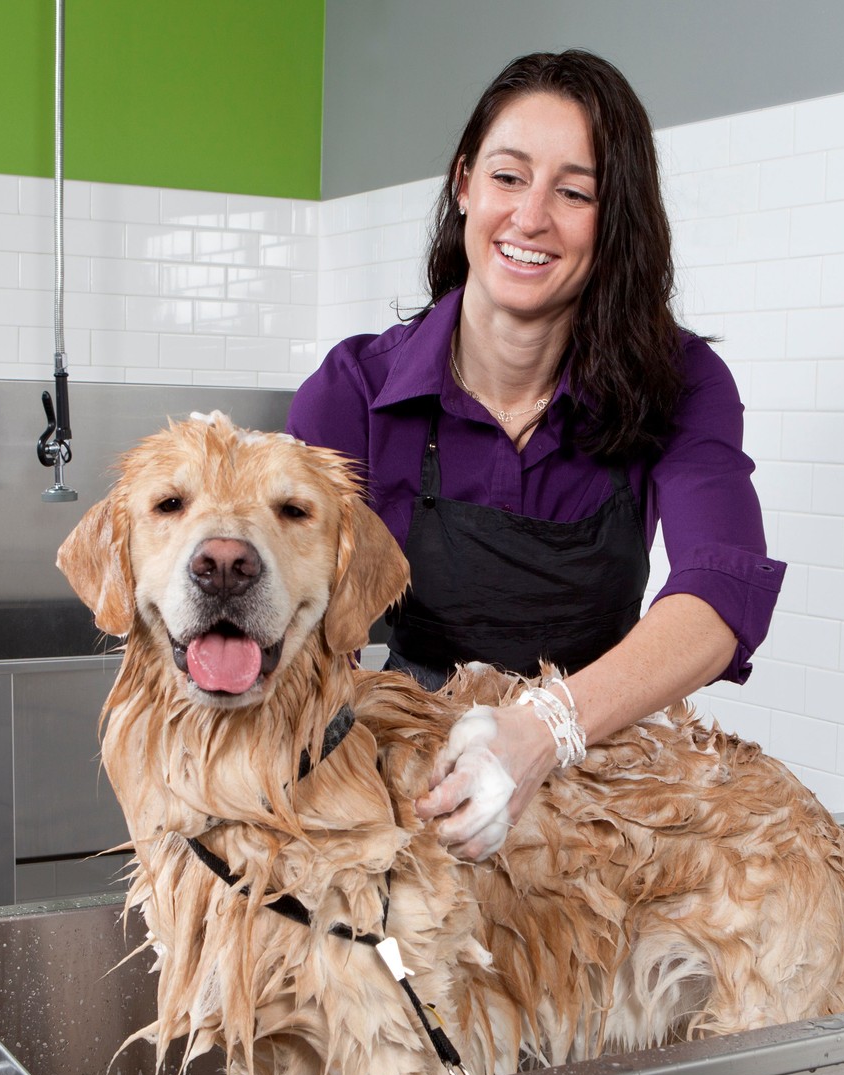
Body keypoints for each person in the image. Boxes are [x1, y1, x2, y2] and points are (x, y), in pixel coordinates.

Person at [288, 50, 783, 863]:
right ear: (464, 186)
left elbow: (721, 596)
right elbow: (298, 617)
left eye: (575, 192)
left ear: (614, 219)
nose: (531, 217)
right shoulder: (354, 390)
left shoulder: (683, 382)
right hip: (419, 788)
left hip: (601, 787)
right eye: (509, 177)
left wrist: (546, 728)